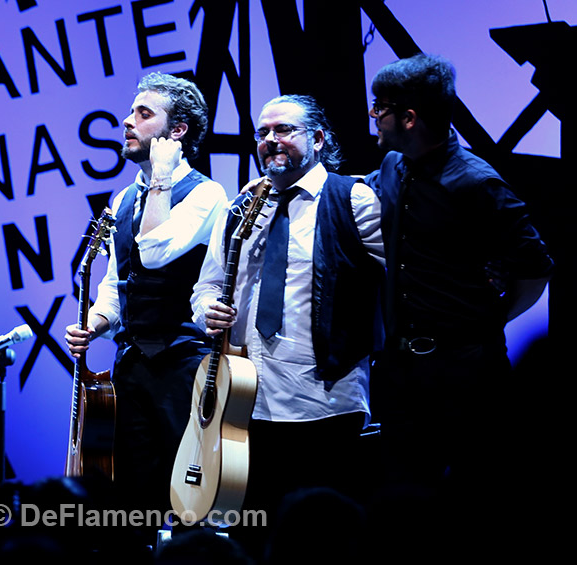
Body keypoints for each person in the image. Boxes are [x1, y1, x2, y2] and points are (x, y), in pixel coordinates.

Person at [191, 95, 384, 552]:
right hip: (245, 407)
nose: (270, 140)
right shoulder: (242, 206)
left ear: (317, 139)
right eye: (263, 132)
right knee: (253, 538)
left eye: (283, 130)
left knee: (323, 542)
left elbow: (398, 280)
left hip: (325, 403)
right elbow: (206, 285)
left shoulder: (352, 199)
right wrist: (207, 310)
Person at [364, 54, 554, 492]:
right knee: (402, 496)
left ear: (409, 118)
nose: (374, 117)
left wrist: (493, 319)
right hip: (400, 370)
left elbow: (536, 269)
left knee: (477, 491)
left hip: (467, 374)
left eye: (380, 107)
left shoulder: (477, 183)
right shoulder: (393, 166)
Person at [64, 72, 228, 516]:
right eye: (130, 111)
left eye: (143, 114)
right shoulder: (122, 200)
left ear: (178, 131)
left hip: (184, 365)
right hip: (132, 366)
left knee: (188, 498)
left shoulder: (206, 194)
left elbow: (154, 252)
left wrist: (162, 176)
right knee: (134, 497)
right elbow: (116, 285)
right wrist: (93, 323)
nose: (127, 121)